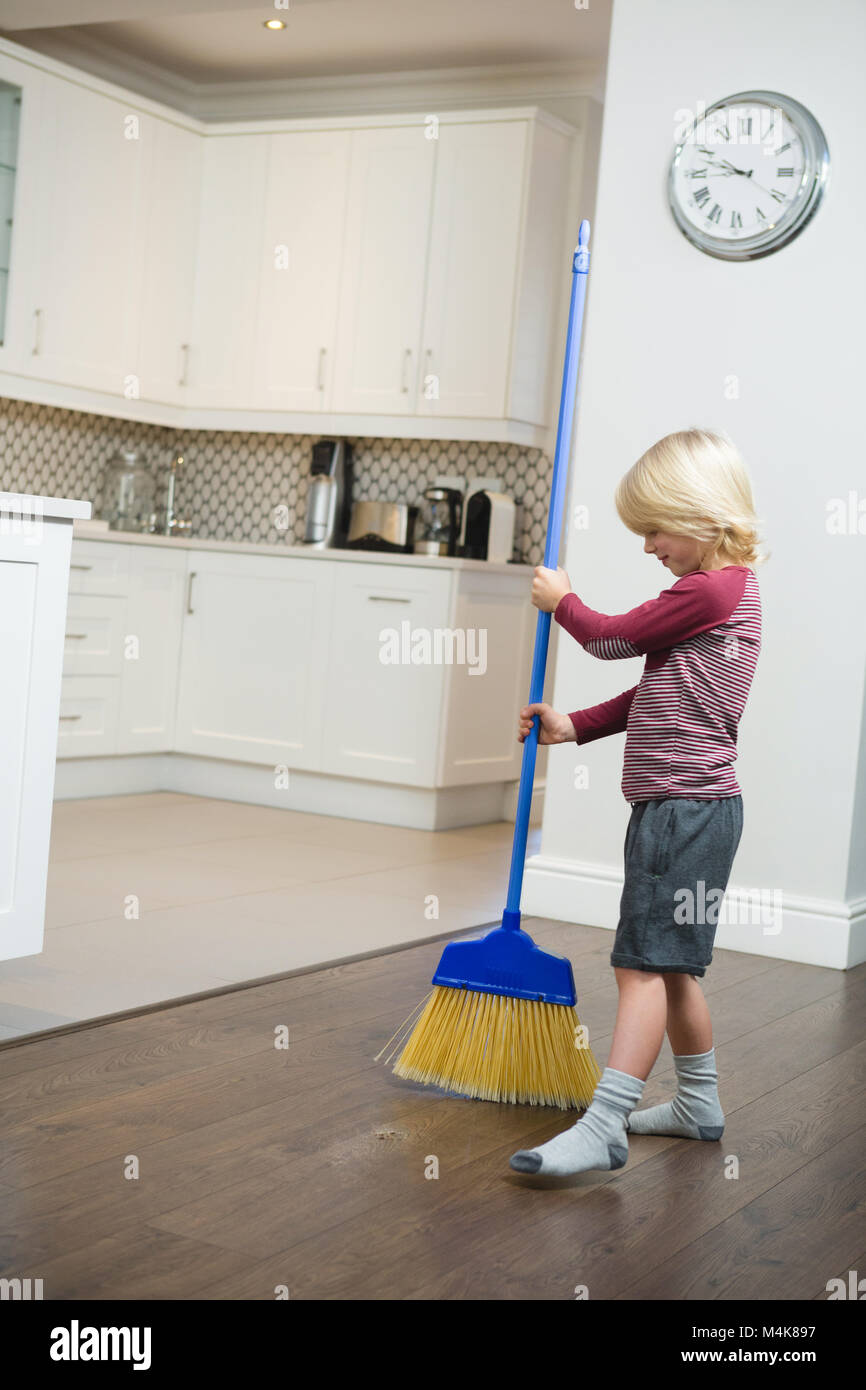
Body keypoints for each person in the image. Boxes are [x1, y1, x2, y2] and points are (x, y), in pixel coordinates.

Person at [509, 427, 765, 1177]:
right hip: (697, 808)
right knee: (675, 964)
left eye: (655, 528)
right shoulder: (723, 593)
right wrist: (576, 725)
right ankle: (697, 1104)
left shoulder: (709, 589)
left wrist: (564, 603)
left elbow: (613, 640)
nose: (648, 545)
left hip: (681, 810)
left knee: (642, 966)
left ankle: (605, 1123)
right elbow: (657, 689)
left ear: (702, 513)